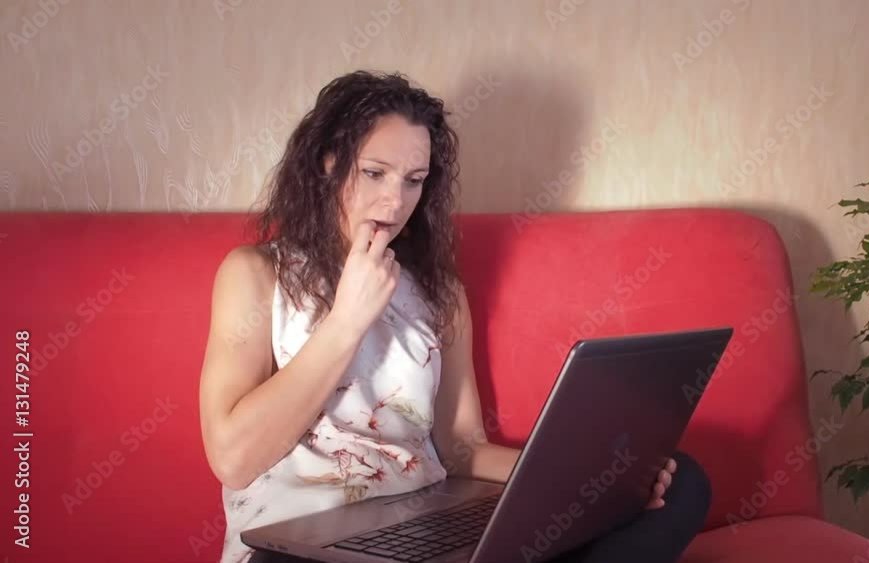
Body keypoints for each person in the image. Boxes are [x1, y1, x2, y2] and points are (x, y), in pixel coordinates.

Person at [198, 70, 712, 563]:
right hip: (296, 543)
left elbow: (462, 449)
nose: (394, 201)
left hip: (417, 532)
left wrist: (594, 478)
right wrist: (347, 320)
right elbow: (234, 461)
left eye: (414, 180)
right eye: (374, 173)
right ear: (328, 162)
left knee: (679, 483)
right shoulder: (257, 274)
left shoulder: (438, 293)